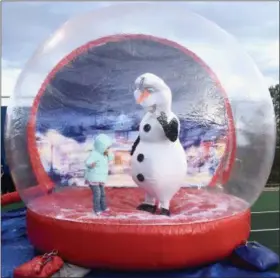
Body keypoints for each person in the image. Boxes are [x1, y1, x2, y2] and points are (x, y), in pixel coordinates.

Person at [85, 134, 114, 215]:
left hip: (100, 179)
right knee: (97, 194)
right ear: (101, 147)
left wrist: (109, 152)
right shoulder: (94, 154)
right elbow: (87, 162)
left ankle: (104, 207)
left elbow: (111, 158)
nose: (108, 149)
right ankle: (96, 209)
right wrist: (91, 164)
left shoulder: (104, 155)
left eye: (109, 148)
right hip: (93, 179)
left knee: (102, 194)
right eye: (107, 148)